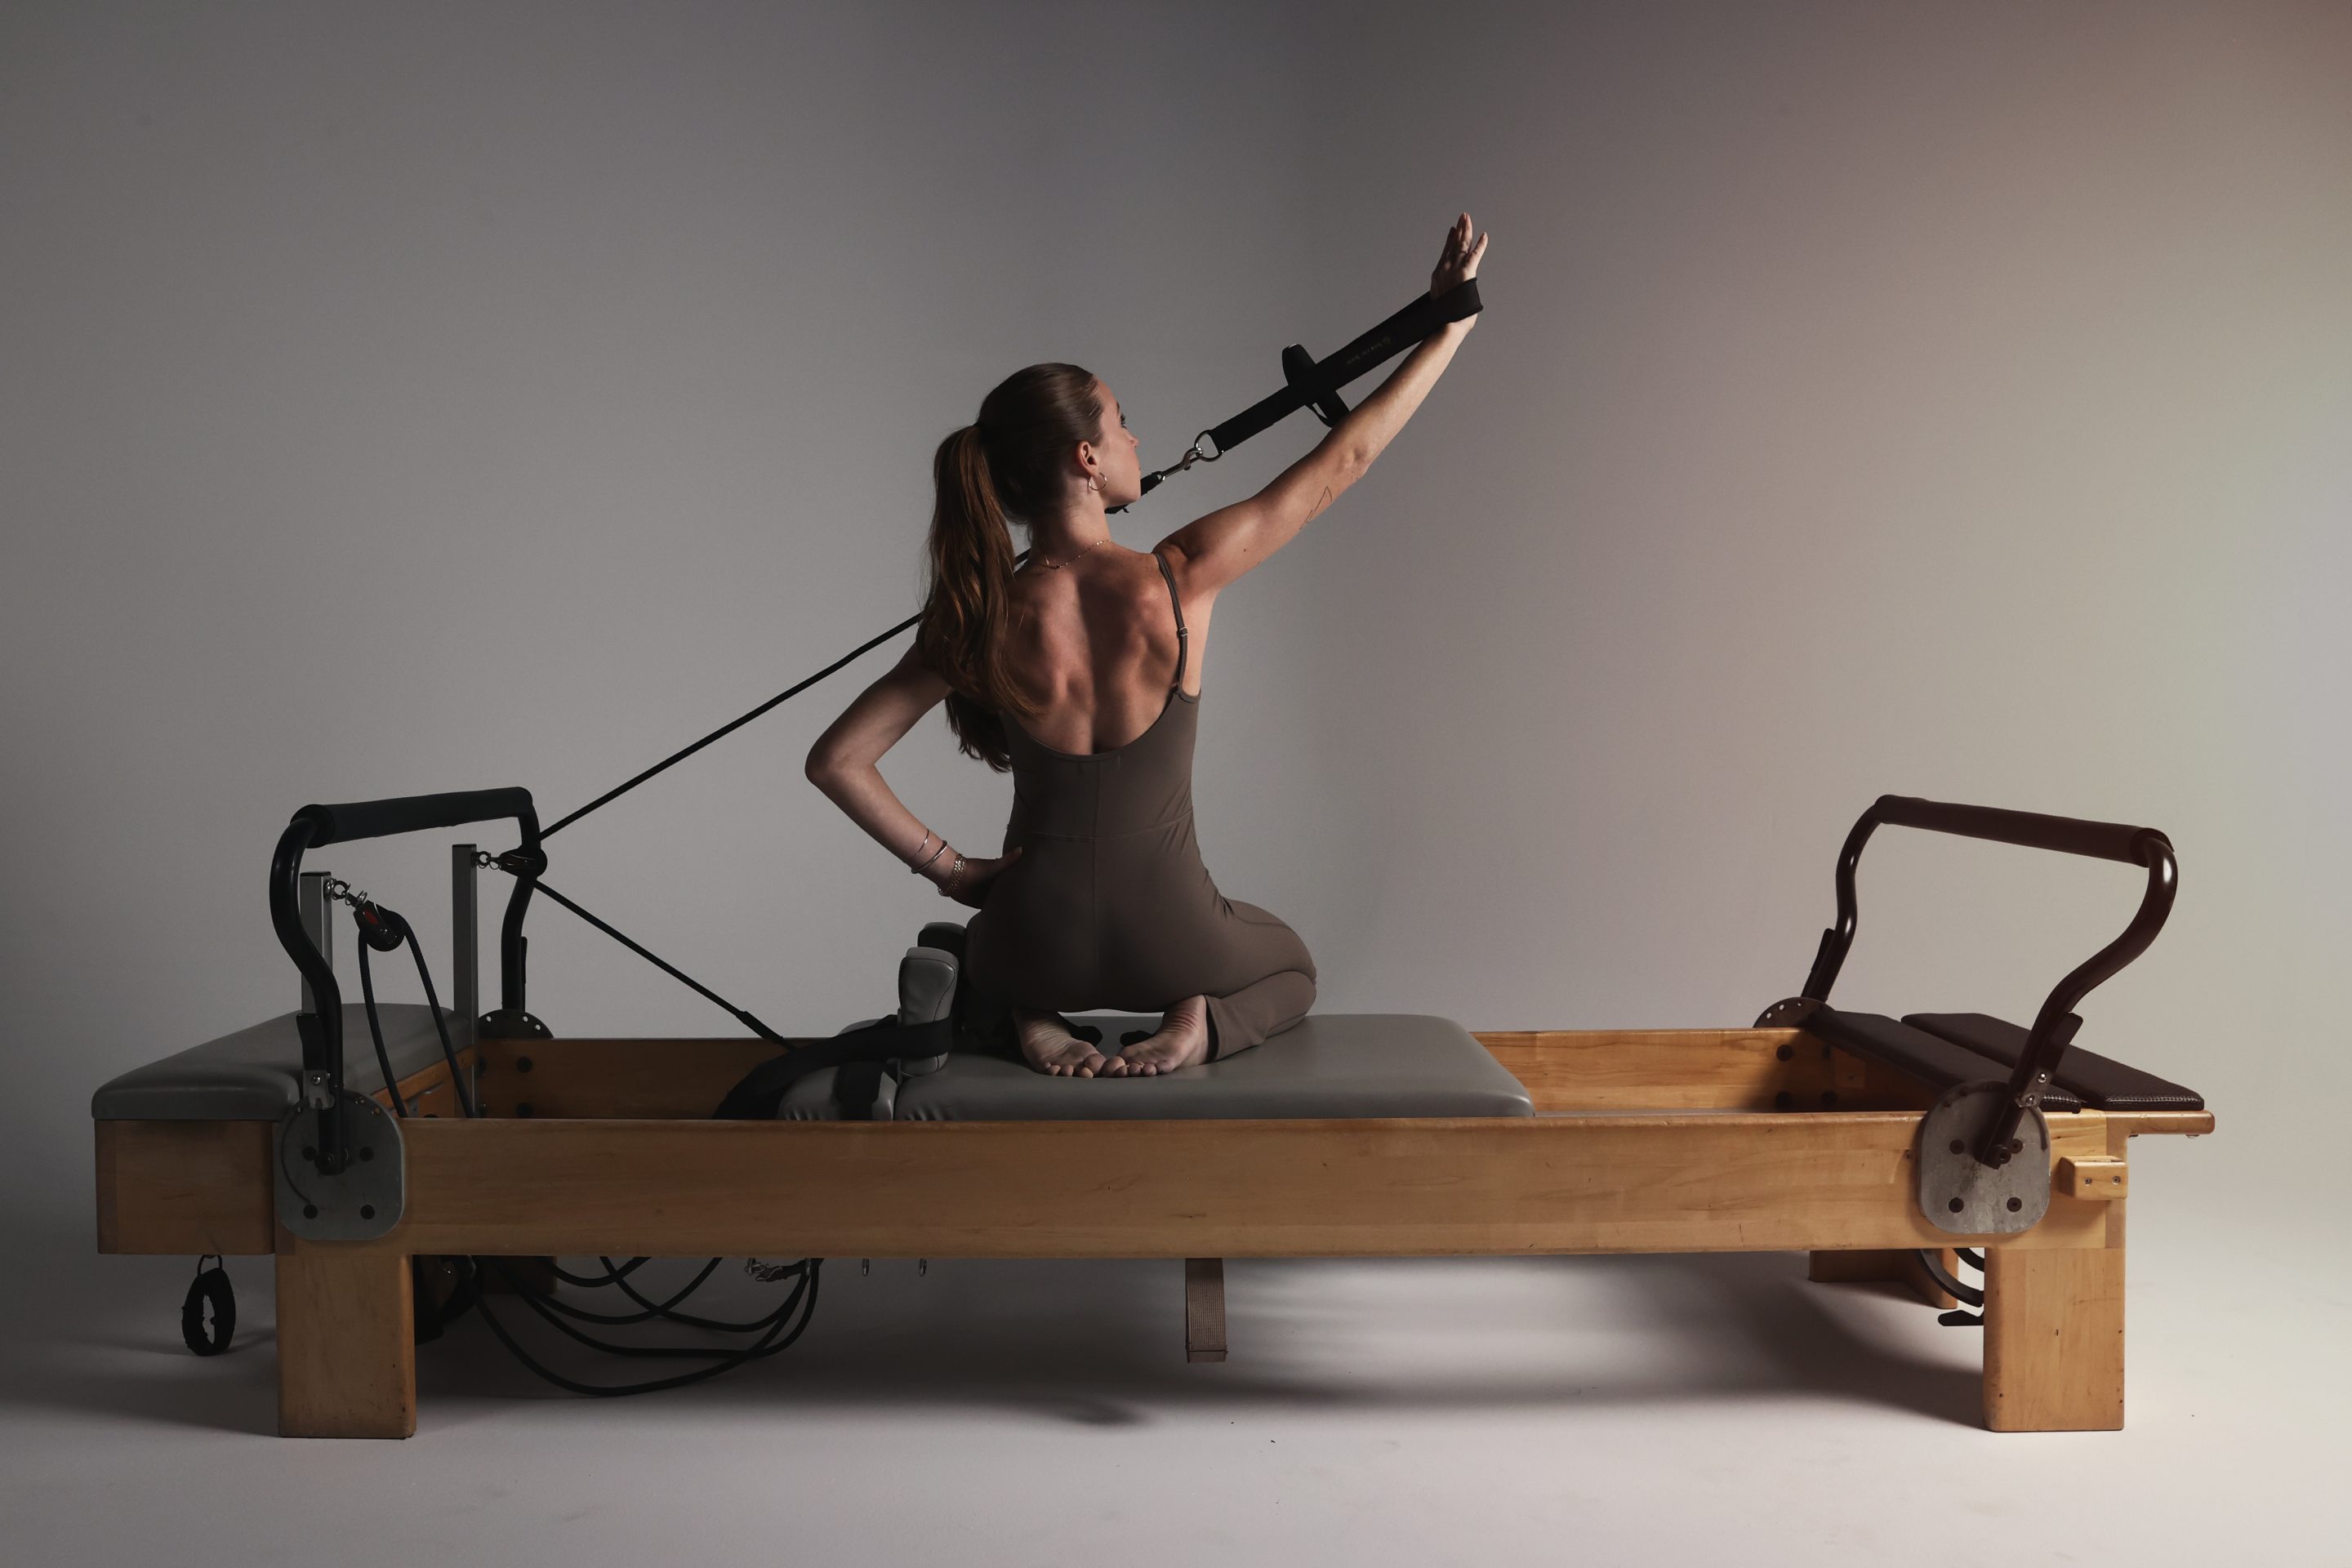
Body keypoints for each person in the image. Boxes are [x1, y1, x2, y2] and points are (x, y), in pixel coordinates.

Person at [806, 213, 1489, 1077]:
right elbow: (1342, 462)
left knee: (977, 941)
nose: (1137, 437)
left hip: (1031, 937)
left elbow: (836, 761)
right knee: (1293, 965)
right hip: (1176, 939)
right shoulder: (1180, 577)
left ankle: (1026, 1013)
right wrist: (1449, 327)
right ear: (1089, 459)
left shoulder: (975, 616)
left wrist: (957, 873)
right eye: (1122, 423)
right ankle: (1197, 1025)